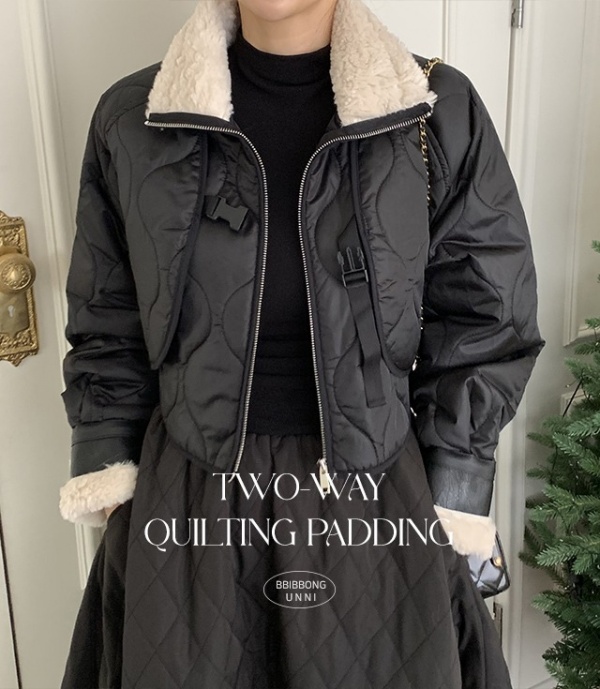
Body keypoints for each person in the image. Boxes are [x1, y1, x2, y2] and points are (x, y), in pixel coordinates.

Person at [57, 0, 546, 686]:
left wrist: (452, 495)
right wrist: (117, 493)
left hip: (377, 507)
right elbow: (107, 319)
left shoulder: (432, 110)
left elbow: (485, 314)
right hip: (187, 508)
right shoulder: (134, 118)